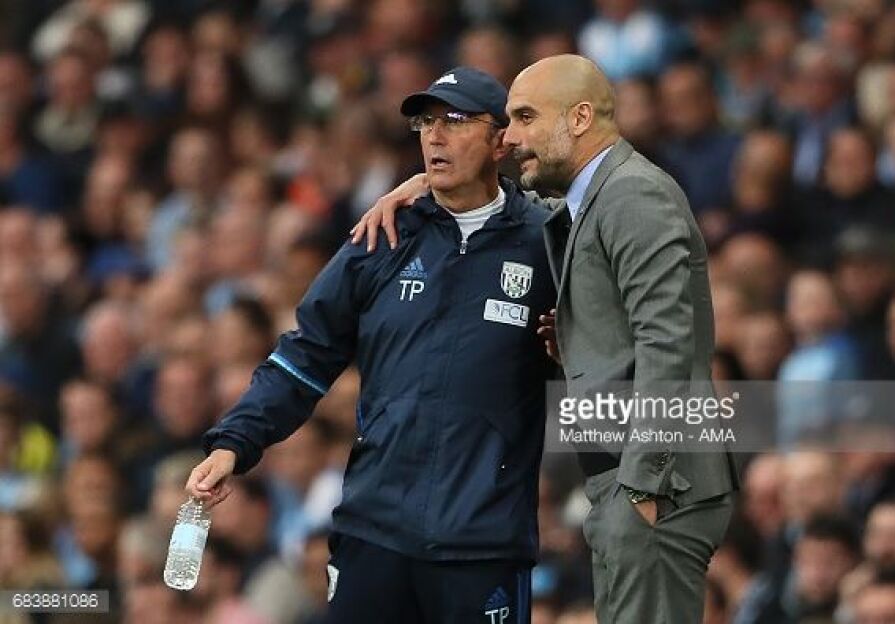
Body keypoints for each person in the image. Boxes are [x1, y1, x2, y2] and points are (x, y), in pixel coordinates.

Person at [352, 54, 739, 623]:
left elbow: (668, 345)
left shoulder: (633, 194)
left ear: (579, 118)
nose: (509, 137)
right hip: (628, 479)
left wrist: (643, 486)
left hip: (658, 481)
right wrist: (430, 182)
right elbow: (524, 207)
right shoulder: (592, 199)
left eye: (526, 117)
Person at [186, 66, 557, 624]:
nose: (435, 135)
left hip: (482, 543)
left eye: (456, 121)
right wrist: (234, 443)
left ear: (499, 139)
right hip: (374, 531)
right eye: (426, 122)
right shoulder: (382, 235)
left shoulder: (547, 242)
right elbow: (306, 355)